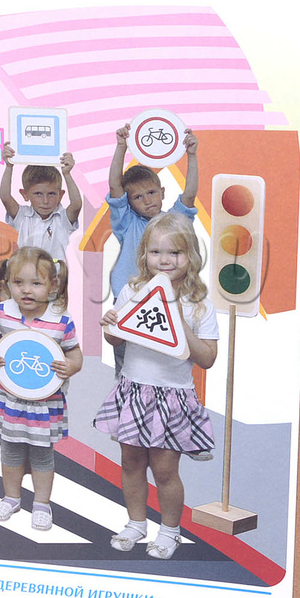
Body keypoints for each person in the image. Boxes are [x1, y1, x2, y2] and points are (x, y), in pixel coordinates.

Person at [93, 212, 219, 560]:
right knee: (131, 463)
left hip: (172, 398)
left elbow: (208, 358)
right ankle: (136, 523)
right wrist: (110, 325)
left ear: (191, 256)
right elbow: (116, 339)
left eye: (175, 252)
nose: (165, 260)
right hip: (134, 390)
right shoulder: (133, 291)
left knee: (165, 471)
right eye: (156, 252)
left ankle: (170, 531)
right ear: (144, 255)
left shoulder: (200, 305)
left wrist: (179, 322)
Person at [0, 247, 82, 530]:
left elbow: (75, 353)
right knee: (10, 449)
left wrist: (72, 366)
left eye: (36, 283)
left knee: (41, 454)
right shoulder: (3, 312)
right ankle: (11, 497)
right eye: (18, 283)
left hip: (44, 403)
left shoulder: (61, 320)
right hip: (9, 398)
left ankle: (41, 503)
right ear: (8, 283)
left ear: (52, 285)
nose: (26, 290)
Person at [105, 123, 199, 371]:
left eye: (151, 193)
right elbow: (114, 187)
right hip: (129, 298)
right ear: (129, 202)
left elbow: (189, 195)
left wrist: (192, 155)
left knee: (162, 358)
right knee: (126, 361)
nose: (147, 201)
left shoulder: (175, 221)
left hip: (167, 299)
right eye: (138, 197)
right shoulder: (127, 223)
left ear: (162, 192)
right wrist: (121, 147)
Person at [0, 147, 82, 267]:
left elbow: (76, 204)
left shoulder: (63, 219)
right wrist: (9, 166)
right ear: (25, 194)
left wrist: (67, 174)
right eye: (38, 194)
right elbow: (5, 197)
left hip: (54, 275)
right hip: (26, 274)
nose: (45, 201)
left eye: (51, 194)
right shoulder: (22, 216)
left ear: (60, 195)